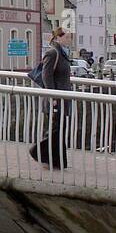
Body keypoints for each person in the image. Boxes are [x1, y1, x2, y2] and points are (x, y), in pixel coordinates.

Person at [29, 26, 73, 169]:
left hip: (62, 97)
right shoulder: (53, 53)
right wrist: (52, 96)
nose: (69, 40)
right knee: (56, 129)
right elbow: (46, 75)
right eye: (67, 37)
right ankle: (38, 152)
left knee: (59, 130)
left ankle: (56, 161)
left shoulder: (62, 53)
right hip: (55, 99)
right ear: (58, 38)